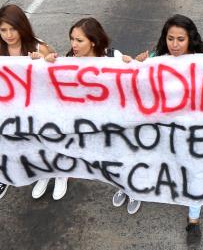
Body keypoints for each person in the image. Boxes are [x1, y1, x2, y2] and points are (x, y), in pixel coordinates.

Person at [34, 18, 133, 205]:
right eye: (72, 39)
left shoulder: (114, 57)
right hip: (81, 123)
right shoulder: (67, 60)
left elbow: (134, 83)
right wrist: (44, 65)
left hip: (110, 122)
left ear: (93, 41)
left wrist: (132, 64)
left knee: (119, 157)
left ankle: (129, 190)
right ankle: (58, 173)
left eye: (79, 41)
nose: (73, 44)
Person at [136, 15, 203, 245]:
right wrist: (136, 63)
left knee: (195, 170)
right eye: (170, 38)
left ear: (191, 39)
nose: (175, 44)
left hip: (194, 130)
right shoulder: (156, 59)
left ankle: (194, 220)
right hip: (166, 130)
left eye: (181, 39)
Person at [0, 4, 55, 202]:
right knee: (2, 141)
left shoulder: (37, 46)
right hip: (7, 107)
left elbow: (54, 78)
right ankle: (3, 176)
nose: (8, 34)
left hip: (35, 107)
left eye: (13, 29)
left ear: (22, 26)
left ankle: (45, 171)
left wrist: (43, 61)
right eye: (3, 30)